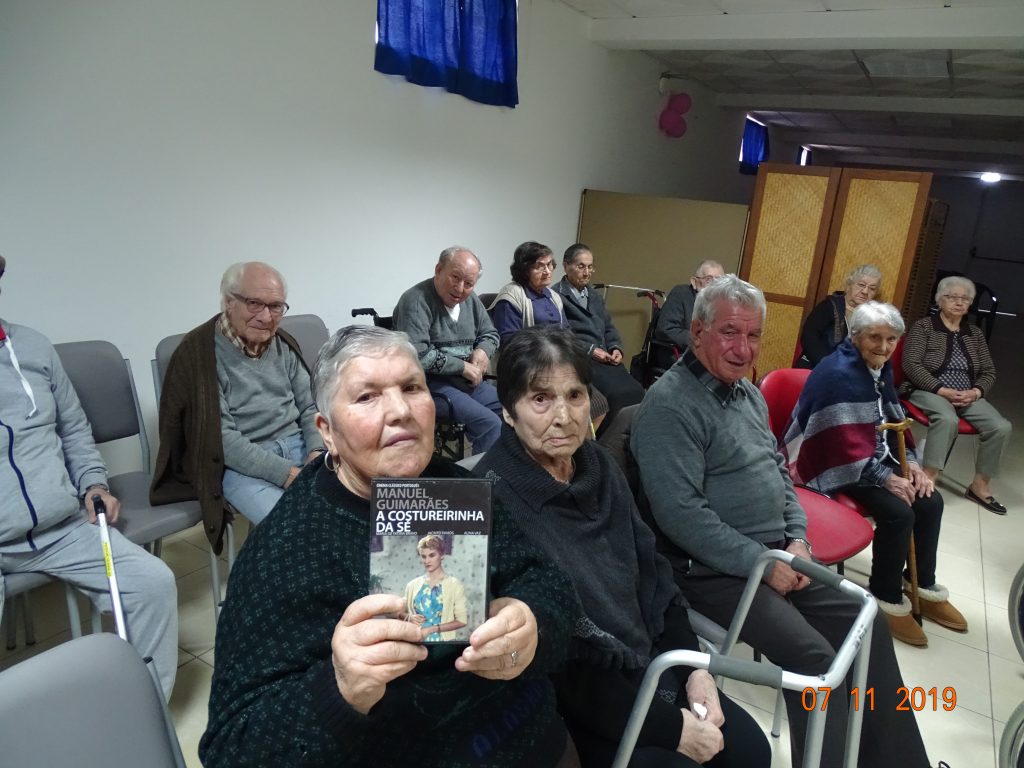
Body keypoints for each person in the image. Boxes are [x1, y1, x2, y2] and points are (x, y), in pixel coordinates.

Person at [200, 325, 580, 767]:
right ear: (327, 431)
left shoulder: (459, 488)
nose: (401, 410)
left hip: (536, 741)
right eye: (367, 396)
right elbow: (231, 748)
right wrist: (338, 690)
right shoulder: (282, 551)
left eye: (412, 387)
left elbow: (548, 584)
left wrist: (532, 626)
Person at [631, 275, 937, 768]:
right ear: (698, 332)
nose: (743, 348)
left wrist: (798, 539)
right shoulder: (669, 406)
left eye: (753, 335)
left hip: (776, 554)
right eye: (730, 332)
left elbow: (780, 474)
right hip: (709, 572)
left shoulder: (747, 395)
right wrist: (764, 561)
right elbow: (681, 515)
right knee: (818, 661)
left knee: (866, 623)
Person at [475, 326, 771, 768]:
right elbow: (556, 663)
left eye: (575, 396)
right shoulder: (491, 500)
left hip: (650, 665)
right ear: (507, 412)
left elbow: (654, 574)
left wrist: (696, 670)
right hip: (583, 703)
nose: (564, 416)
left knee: (750, 751)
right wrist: (670, 728)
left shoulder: (598, 466)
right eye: (540, 399)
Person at [0, 254, 178, 701]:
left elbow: (74, 429)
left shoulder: (33, 347)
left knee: (151, 584)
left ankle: (145, 709)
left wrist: (93, 484)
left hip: (64, 526)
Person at [783, 301, 966, 647]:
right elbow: (839, 445)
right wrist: (886, 478)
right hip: (825, 461)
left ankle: (921, 584)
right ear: (855, 336)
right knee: (899, 513)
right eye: (875, 337)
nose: (883, 347)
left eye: (891, 339)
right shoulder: (837, 373)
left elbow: (894, 421)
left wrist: (912, 465)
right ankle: (885, 597)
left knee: (930, 501)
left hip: (871, 456)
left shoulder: (879, 369)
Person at [150, 261, 324, 540]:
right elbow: (222, 441)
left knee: (362, 505)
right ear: (228, 302)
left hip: (301, 446)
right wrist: (288, 474)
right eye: (254, 304)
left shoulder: (283, 344)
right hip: (241, 465)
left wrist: (316, 453)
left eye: (276, 306)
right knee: (296, 531)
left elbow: (310, 407)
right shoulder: (199, 355)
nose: (266, 317)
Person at [901, 275, 1012, 515]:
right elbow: (911, 364)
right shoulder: (924, 327)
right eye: (952, 297)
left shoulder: (975, 333)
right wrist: (941, 390)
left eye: (965, 298)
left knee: (1001, 427)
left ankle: (980, 486)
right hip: (927, 390)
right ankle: (928, 478)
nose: (959, 302)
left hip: (966, 394)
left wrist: (976, 391)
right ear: (939, 300)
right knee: (947, 419)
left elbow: (988, 371)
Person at [392, 246, 502, 453]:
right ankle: (485, 474)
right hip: (429, 385)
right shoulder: (416, 300)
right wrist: (462, 367)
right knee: (489, 425)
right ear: (438, 270)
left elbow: (491, 334)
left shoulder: (472, 301)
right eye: (455, 278)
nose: (460, 289)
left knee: (515, 412)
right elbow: (418, 355)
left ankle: (508, 470)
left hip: (467, 382)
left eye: (469, 284)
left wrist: (482, 351)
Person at [491, 241, 609, 429]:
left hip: (558, 366)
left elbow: (567, 333)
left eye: (549, 265)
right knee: (565, 410)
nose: (547, 271)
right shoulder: (512, 296)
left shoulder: (552, 296)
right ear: (524, 269)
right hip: (529, 370)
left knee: (598, 404)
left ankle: (574, 444)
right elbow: (510, 344)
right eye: (540, 266)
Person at [555, 243, 645, 425]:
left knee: (637, 390)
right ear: (566, 266)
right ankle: (608, 438)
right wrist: (591, 350)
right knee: (615, 394)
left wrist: (615, 347)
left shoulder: (594, 296)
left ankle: (627, 435)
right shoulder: (556, 296)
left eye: (590, 267)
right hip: (580, 357)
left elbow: (608, 326)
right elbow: (560, 335)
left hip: (605, 357)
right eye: (581, 267)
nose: (587, 272)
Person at [797, 264, 882, 368]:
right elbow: (809, 337)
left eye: (872, 289)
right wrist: (828, 365)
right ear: (849, 284)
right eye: (861, 285)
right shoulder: (829, 306)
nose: (865, 291)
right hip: (816, 365)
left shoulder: (873, 317)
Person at [402, 534, 468, 642]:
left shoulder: (455, 585)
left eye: (432, 555)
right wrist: (408, 617)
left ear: (442, 555)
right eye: (423, 556)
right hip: (415, 641)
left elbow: (462, 621)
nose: (427, 561)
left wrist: (431, 629)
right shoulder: (412, 585)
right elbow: (398, 612)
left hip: (443, 644)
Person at [653, 260, 725, 357]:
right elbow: (666, 329)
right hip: (681, 353)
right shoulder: (681, 294)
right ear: (694, 282)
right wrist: (701, 340)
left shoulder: (723, 304)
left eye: (720, 281)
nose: (715, 285)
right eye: (709, 279)